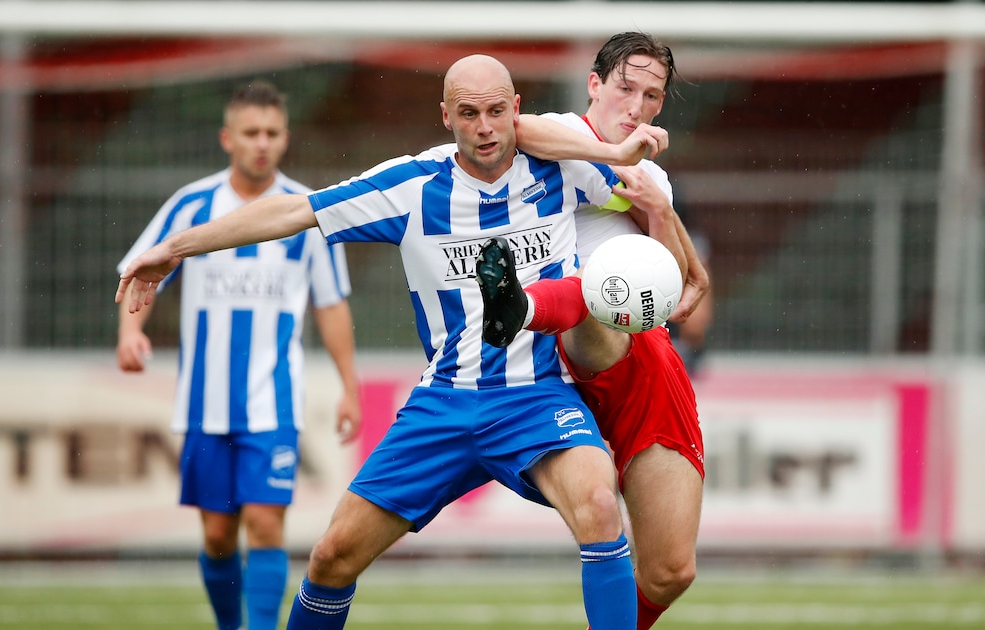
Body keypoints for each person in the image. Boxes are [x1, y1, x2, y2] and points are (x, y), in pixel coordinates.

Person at [117, 55, 671, 630]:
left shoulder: (564, 169)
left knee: (601, 506)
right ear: (445, 118)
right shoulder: (410, 187)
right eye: (469, 113)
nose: (485, 128)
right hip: (444, 403)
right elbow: (291, 211)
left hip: (536, 398)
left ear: (517, 112)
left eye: (496, 112)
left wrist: (686, 265)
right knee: (332, 558)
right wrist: (177, 247)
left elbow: (650, 198)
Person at [115, 79, 361, 630]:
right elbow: (143, 271)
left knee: (266, 526)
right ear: (228, 137)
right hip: (204, 400)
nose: (261, 143)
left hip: (272, 400)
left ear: (285, 139)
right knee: (217, 534)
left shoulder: (304, 211)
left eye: (272, 133)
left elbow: (331, 304)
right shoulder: (192, 205)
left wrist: (349, 386)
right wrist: (129, 334)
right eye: (251, 132)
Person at [492, 32, 712, 630]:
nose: (636, 106)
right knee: (598, 297)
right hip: (552, 358)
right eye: (625, 88)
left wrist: (661, 213)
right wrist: (617, 160)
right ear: (594, 85)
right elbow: (518, 128)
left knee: (672, 570)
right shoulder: (564, 134)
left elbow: (670, 296)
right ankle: (523, 306)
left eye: (652, 96)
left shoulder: (653, 184)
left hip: (637, 364)